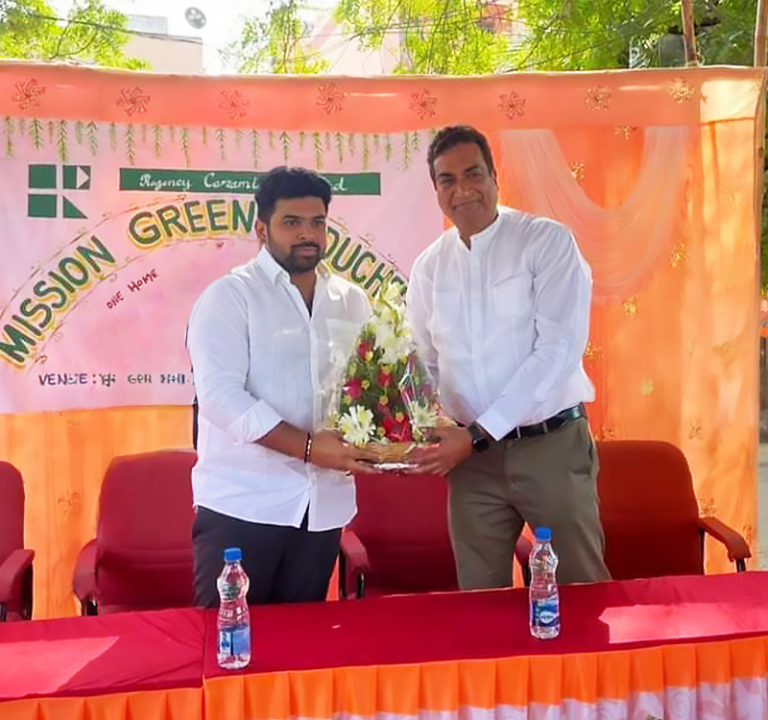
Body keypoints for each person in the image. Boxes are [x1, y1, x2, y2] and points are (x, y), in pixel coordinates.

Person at [406, 125, 610, 588]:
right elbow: (424, 362)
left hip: (550, 447)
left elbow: (557, 350)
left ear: (495, 176)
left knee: (581, 589)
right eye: (447, 180)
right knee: (478, 601)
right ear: (436, 190)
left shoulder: (547, 243)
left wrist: (480, 432)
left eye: (473, 173)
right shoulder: (429, 267)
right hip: (471, 465)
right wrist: (409, 425)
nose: (462, 190)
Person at [187, 166, 375, 607]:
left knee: (297, 655)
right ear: (261, 228)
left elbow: (365, 390)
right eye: (292, 223)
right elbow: (220, 398)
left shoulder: (352, 300)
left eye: (317, 223)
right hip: (244, 506)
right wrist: (310, 448)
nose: (307, 234)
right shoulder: (230, 296)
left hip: (322, 507)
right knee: (229, 647)